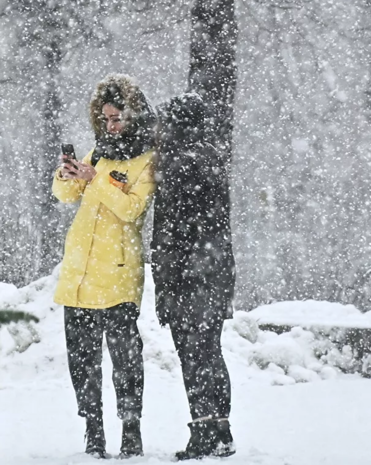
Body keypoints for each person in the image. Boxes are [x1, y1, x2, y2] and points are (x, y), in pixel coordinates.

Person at [52, 74, 156, 459]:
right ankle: (93, 429)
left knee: (125, 359)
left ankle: (131, 428)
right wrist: (67, 174)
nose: (111, 126)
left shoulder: (147, 159)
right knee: (81, 360)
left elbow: (131, 209)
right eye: (106, 118)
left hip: (117, 274)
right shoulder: (98, 151)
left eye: (118, 119)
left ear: (136, 116)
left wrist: (95, 180)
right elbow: (65, 195)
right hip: (79, 274)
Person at [151, 93, 236, 460]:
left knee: (193, 355)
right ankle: (221, 429)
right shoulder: (212, 157)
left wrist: (166, 283)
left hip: (188, 277)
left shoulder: (177, 164)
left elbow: (172, 232)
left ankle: (201, 430)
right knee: (211, 351)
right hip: (215, 272)